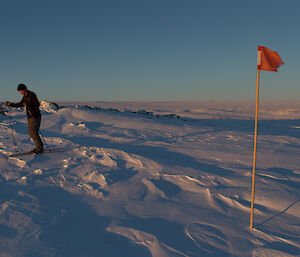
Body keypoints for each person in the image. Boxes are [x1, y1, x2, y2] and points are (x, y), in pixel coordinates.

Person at [6, 84, 44, 154]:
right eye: (19, 91)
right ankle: (39, 147)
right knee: (32, 132)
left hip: (35, 116)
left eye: (20, 90)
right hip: (30, 116)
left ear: (24, 89)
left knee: (33, 132)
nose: (20, 92)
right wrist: (10, 104)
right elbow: (21, 104)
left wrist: (28, 105)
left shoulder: (31, 94)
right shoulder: (25, 96)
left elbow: (36, 104)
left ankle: (39, 148)